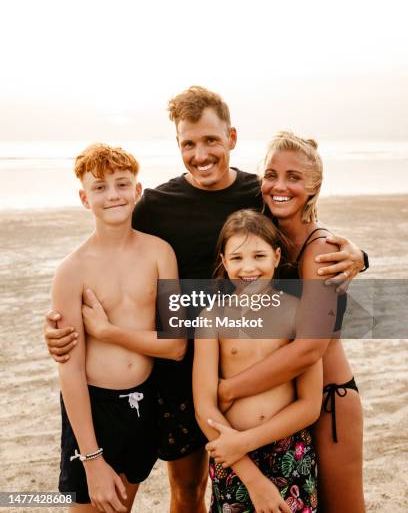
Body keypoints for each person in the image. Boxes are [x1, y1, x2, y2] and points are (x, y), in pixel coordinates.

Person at [44, 87, 367, 512]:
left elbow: (302, 227)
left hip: (261, 368)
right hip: (180, 375)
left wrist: (359, 256)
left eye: (211, 140)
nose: (201, 154)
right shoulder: (155, 204)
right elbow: (111, 245)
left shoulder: (260, 195)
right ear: (178, 145)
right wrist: (57, 323)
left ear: (231, 139)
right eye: (189, 144)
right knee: (189, 490)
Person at [212, 132, 365, 512]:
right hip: (282, 409)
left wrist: (230, 389)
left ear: (314, 186)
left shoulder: (321, 249)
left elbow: (310, 348)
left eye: (294, 177)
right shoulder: (264, 236)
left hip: (327, 400)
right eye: (272, 175)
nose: (280, 186)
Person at [53, 143, 185, 513]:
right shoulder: (71, 271)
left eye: (122, 184)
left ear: (138, 191)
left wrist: (109, 332)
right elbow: (70, 368)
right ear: (84, 198)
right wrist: (92, 458)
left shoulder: (160, 253)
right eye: (99, 187)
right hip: (94, 410)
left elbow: (176, 345)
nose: (113, 195)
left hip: (142, 405)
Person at [193, 209, 323, 512]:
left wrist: (247, 440)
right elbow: (204, 407)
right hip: (233, 458)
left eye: (258, 256)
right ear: (224, 263)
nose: (247, 267)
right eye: (236, 258)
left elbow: (310, 404)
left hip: (290, 450)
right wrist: (250, 475)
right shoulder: (211, 319)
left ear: (277, 257)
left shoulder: (297, 314)